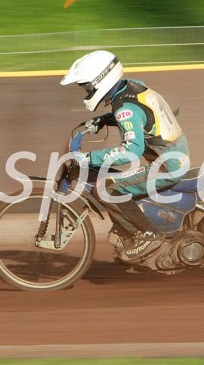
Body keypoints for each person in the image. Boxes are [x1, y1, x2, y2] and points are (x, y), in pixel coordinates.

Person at [60, 50, 190, 261]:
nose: (86, 92)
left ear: (99, 81)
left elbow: (131, 151)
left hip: (167, 165)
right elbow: (138, 114)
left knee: (106, 188)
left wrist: (88, 158)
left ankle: (148, 236)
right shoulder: (131, 87)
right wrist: (104, 120)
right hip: (172, 154)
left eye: (87, 87)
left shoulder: (124, 109)